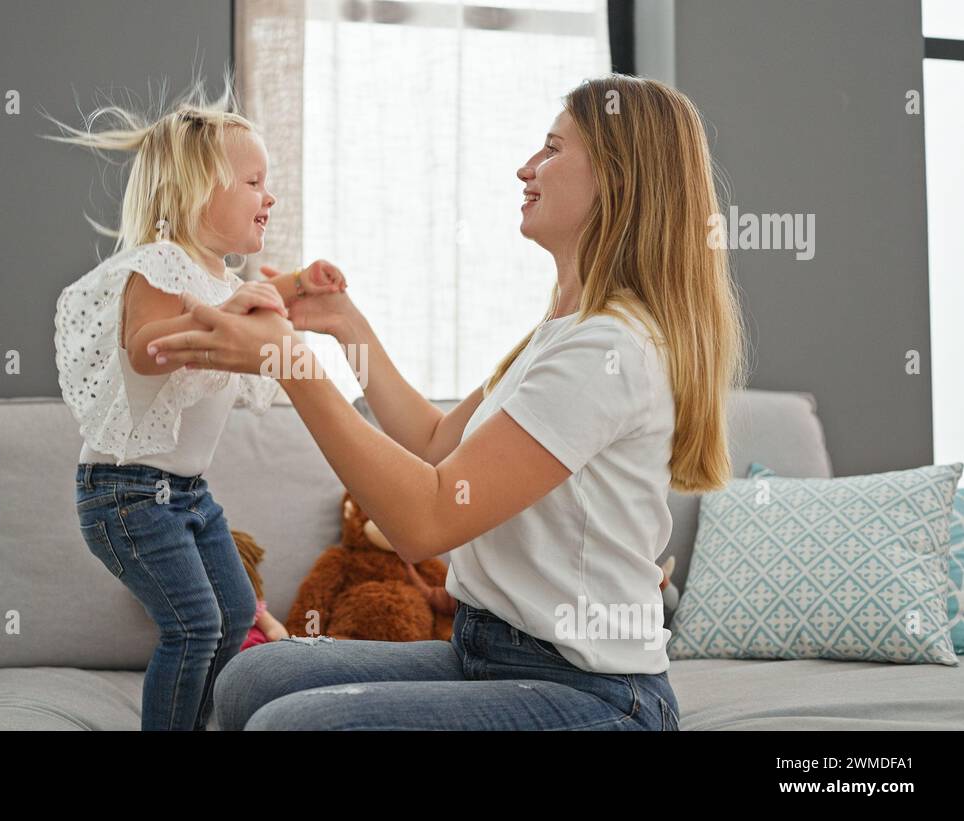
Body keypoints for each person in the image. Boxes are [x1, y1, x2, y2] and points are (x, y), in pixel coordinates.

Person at [144, 74, 748, 731]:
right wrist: (348, 327)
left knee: (288, 725)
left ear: (620, 180)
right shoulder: (560, 332)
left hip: (593, 694)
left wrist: (288, 364)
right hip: (484, 654)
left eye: (551, 149)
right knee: (248, 680)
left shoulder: (611, 351)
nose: (526, 167)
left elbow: (427, 520)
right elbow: (435, 442)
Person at [49, 79, 345, 731]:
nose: (269, 197)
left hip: (186, 493)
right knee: (194, 624)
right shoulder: (158, 266)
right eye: (253, 182)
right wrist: (221, 316)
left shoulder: (220, 276)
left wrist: (300, 284)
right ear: (194, 191)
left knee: (236, 614)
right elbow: (146, 348)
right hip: (123, 494)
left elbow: (266, 296)